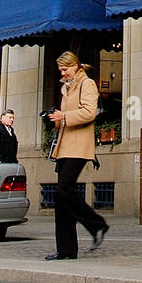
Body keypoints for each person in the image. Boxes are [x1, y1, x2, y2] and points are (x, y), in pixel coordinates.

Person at [45, 52, 110, 261]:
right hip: (65, 146)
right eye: (61, 70)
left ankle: (97, 224)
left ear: (75, 66)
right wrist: (53, 118)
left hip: (79, 146)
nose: (63, 73)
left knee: (64, 189)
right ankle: (66, 250)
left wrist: (63, 116)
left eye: (65, 69)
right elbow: (65, 119)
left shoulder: (87, 84)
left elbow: (90, 112)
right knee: (61, 198)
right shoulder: (68, 87)